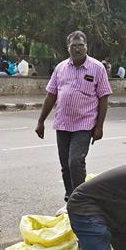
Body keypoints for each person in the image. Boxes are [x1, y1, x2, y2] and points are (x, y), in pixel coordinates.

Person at [36, 31, 112, 202]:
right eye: (74, 46)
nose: (77, 49)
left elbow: (104, 97)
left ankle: (81, 197)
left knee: (75, 161)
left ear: (86, 47)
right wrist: (41, 121)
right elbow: (51, 95)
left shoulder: (97, 68)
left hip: (85, 123)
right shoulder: (60, 68)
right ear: (68, 48)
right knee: (65, 165)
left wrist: (99, 127)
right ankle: (70, 196)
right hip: (63, 123)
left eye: (81, 45)